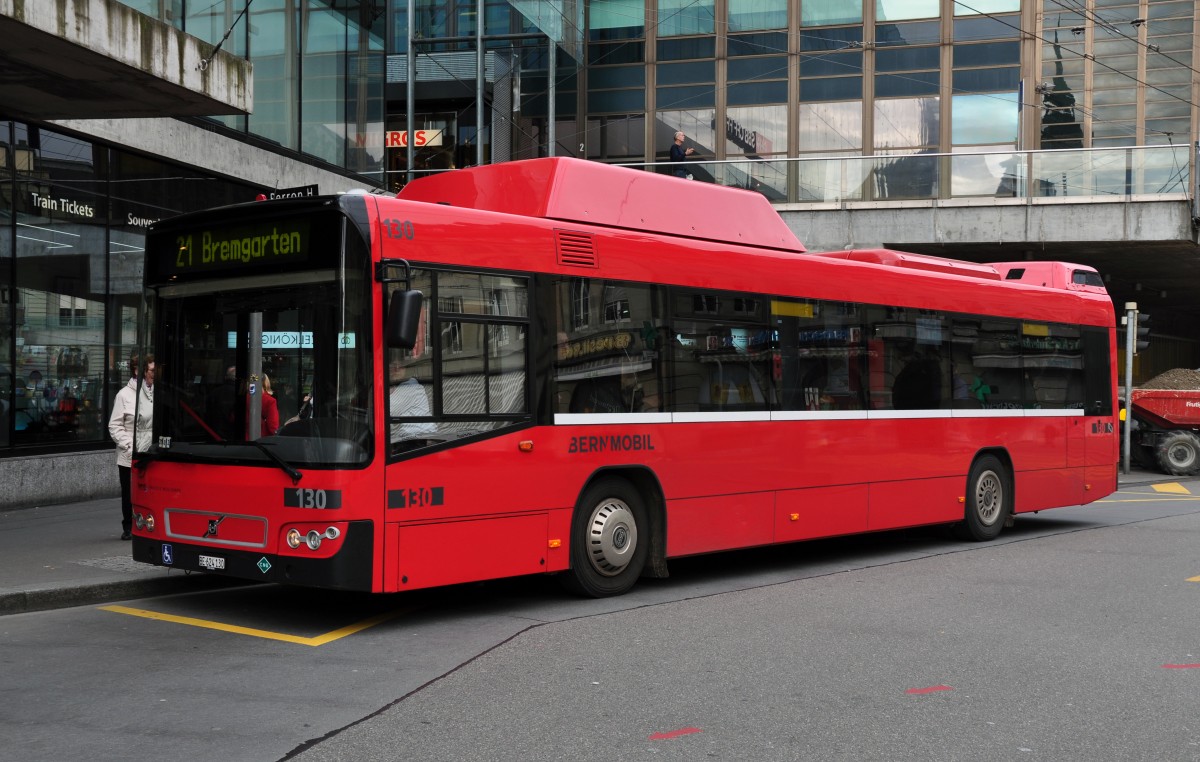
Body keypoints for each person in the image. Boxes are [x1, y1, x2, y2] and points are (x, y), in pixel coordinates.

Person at [108, 352, 154, 540]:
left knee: (150, 490)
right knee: (130, 492)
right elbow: (114, 425)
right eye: (151, 370)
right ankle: (129, 526)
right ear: (138, 371)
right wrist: (128, 445)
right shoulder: (124, 395)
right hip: (130, 452)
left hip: (151, 452)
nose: (154, 373)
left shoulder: (155, 393)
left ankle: (149, 524)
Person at [388, 357, 435, 442]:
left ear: (406, 369)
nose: (396, 370)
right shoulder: (399, 386)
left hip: (419, 439)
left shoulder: (410, 387)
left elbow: (386, 410)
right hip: (413, 437)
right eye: (394, 367)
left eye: (400, 367)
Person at [247, 373, 280, 437]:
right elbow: (273, 426)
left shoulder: (244, 399)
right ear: (266, 383)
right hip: (262, 440)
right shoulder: (270, 401)